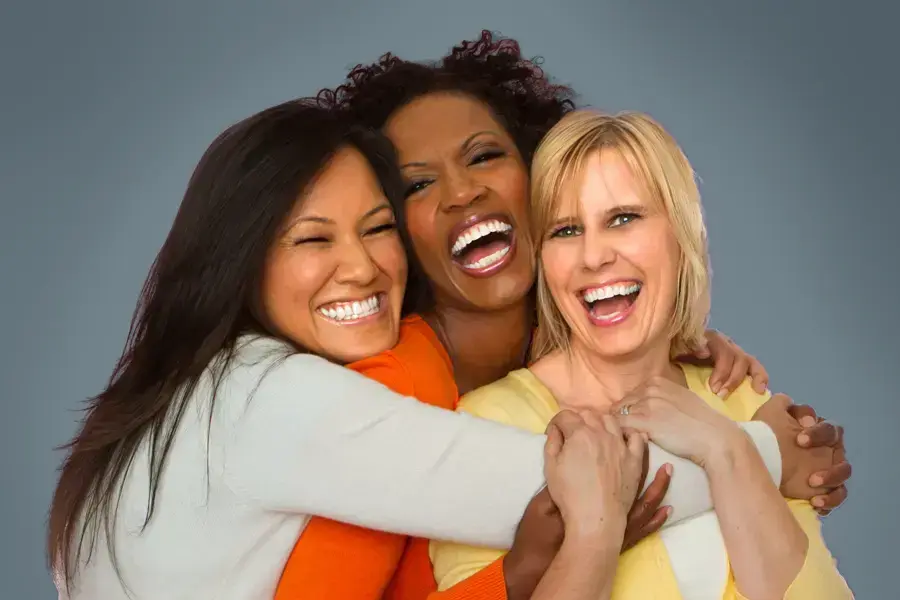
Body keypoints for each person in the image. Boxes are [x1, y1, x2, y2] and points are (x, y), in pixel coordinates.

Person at [48, 97, 771, 600]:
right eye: (312, 239)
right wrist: (771, 450)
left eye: (376, 227)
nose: (361, 267)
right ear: (241, 261)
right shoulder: (279, 401)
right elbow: (584, 483)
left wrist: (666, 340)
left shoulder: (196, 393)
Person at [275, 31, 851, 599]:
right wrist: (550, 556)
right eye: (418, 184)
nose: (461, 193)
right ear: (395, 229)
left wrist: (728, 435)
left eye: (485, 155)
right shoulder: (402, 394)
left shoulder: (724, 388)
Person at [429, 109, 853, 599]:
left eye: (623, 218)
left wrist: (729, 448)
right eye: (565, 231)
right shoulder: (487, 426)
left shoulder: (740, 400)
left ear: (680, 234)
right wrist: (595, 532)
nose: (593, 257)